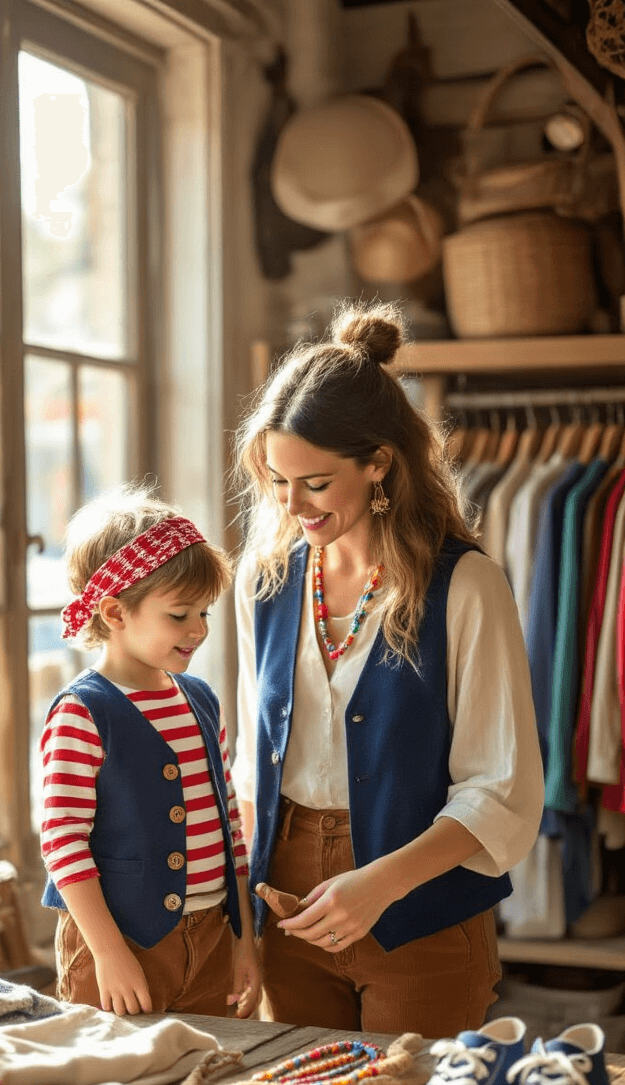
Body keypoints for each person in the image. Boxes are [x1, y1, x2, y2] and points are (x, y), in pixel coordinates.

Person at [231, 301, 544, 1036]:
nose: (292, 505)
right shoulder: (265, 578)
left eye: (315, 482)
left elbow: (501, 790)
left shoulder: (466, 587)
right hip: (286, 906)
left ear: (379, 463)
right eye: (278, 480)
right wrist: (243, 916)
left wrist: (380, 886)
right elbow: (252, 767)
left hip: (420, 909)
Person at [39, 483, 261, 1020]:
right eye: (180, 615)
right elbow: (62, 841)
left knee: (206, 1071)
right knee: (124, 1083)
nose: (199, 630)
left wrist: (244, 938)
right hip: (120, 945)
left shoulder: (201, 700)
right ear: (115, 613)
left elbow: (230, 826)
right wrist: (109, 954)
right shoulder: (82, 712)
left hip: (212, 940)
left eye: (205, 613)